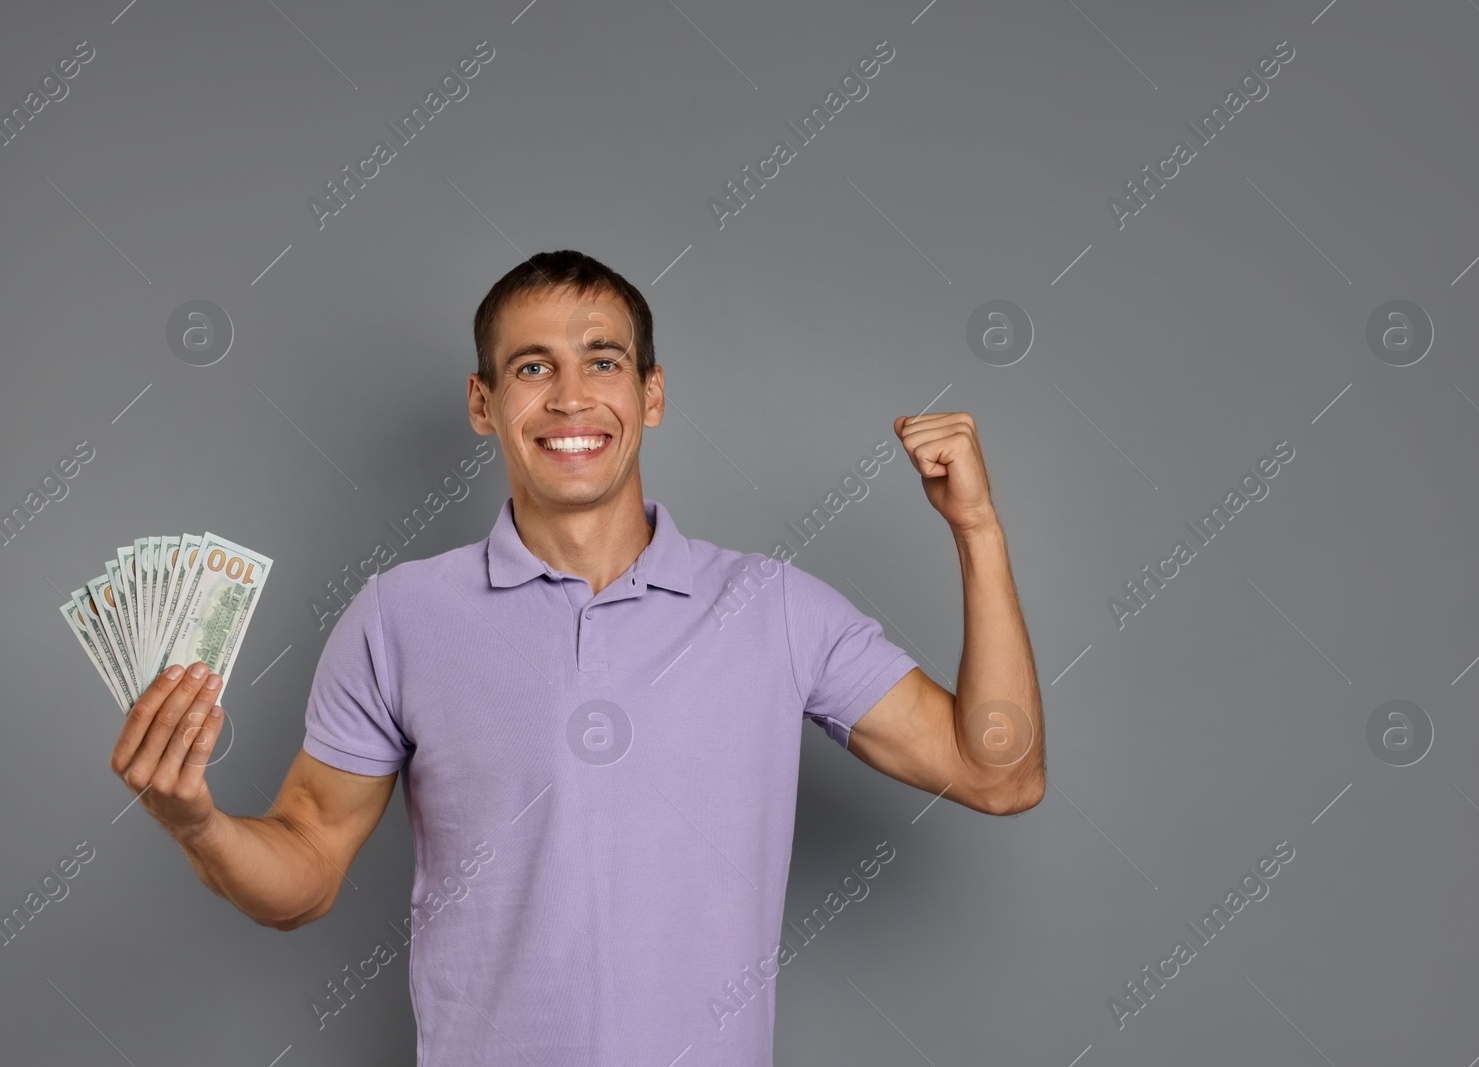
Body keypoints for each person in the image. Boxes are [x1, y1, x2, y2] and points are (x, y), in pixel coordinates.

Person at [108, 249, 1045, 1065]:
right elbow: (304, 874)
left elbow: (997, 773)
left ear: (651, 393)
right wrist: (195, 821)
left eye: (603, 361)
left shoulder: (774, 608)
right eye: (531, 367)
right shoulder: (398, 615)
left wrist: (977, 530)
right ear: (484, 403)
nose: (569, 397)